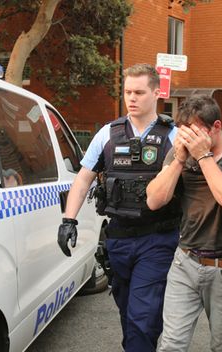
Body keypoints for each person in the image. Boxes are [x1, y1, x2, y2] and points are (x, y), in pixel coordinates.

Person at [57, 63, 181, 352]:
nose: (132, 98)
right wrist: (68, 220)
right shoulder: (107, 135)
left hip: (158, 239)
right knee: (128, 314)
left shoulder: (173, 136)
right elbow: (83, 178)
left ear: (156, 92)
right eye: (127, 92)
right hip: (118, 239)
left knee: (143, 317)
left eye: (139, 92)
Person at [146, 94, 222, 352]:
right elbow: (154, 200)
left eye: (196, 134)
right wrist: (178, 160)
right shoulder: (180, 154)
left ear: (216, 127)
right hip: (185, 261)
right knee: (171, 345)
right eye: (184, 133)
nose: (189, 141)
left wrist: (202, 156)